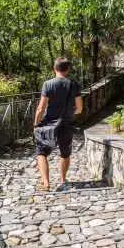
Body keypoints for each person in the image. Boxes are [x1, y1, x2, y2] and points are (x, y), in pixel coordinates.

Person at [34, 57, 83, 191]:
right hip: (66, 124)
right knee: (65, 153)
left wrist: (35, 123)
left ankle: (46, 183)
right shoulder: (74, 84)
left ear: (54, 68)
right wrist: (70, 114)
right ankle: (62, 179)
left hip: (49, 125)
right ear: (67, 69)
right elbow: (79, 108)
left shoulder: (48, 84)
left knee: (41, 153)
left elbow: (41, 108)